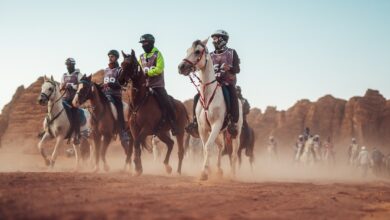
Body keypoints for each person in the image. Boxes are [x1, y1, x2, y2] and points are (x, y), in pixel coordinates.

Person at [187, 29, 241, 137]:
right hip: (212, 83)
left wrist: (229, 68)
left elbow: (237, 69)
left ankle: (233, 122)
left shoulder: (232, 52)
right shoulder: (209, 55)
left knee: (232, 94)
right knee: (197, 96)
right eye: (213, 39)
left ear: (223, 40)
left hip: (227, 82)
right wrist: (192, 68)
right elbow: (202, 65)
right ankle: (195, 122)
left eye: (215, 38)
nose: (213, 41)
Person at [138, 34, 177, 135]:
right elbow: (138, 70)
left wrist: (147, 73)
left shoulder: (157, 54)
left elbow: (159, 69)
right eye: (142, 43)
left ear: (151, 43)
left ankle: (174, 124)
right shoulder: (141, 57)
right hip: (144, 86)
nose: (143, 45)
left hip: (157, 86)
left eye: (145, 43)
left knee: (167, 102)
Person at [102, 50, 129, 143]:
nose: (110, 58)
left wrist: (111, 84)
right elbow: (104, 83)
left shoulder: (120, 70)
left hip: (115, 95)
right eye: (109, 56)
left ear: (116, 58)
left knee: (120, 110)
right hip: (105, 95)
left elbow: (123, 85)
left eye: (112, 56)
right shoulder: (106, 70)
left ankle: (123, 132)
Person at [60, 58, 82, 144]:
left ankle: (77, 135)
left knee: (74, 114)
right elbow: (60, 87)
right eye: (67, 65)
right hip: (65, 98)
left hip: (74, 99)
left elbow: (82, 86)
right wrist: (62, 86)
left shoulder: (78, 74)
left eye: (69, 65)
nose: (67, 66)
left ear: (73, 65)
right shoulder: (64, 75)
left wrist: (72, 87)